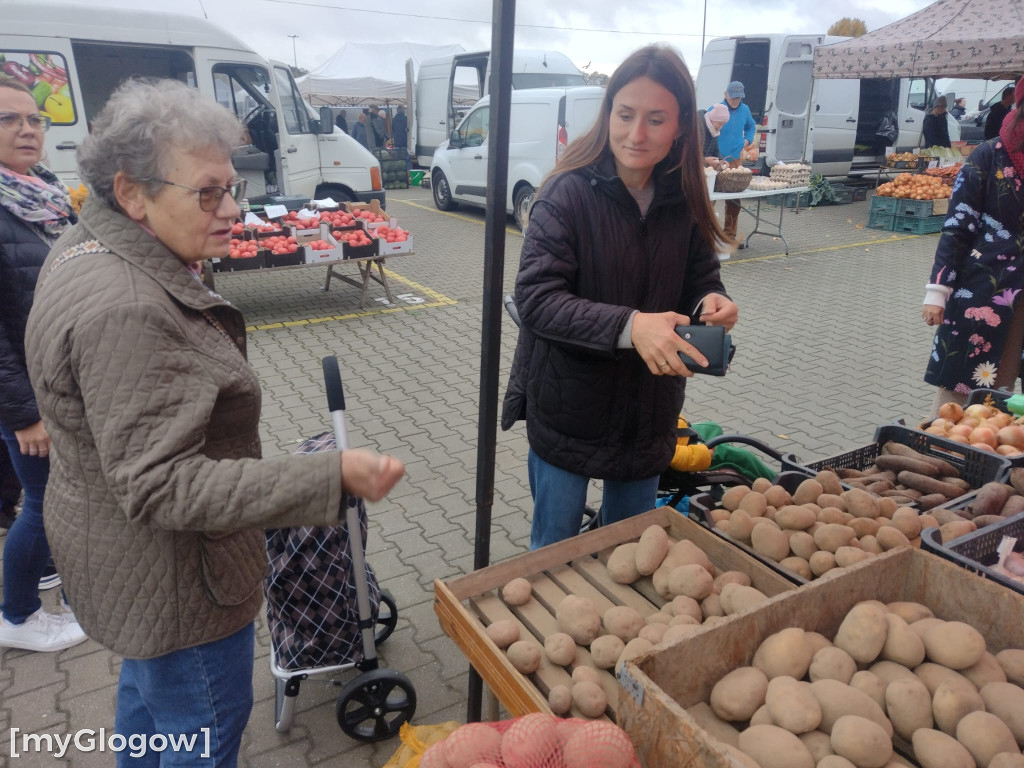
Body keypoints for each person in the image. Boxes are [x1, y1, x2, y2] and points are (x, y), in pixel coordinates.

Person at [25, 78, 405, 764]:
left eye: (232, 187)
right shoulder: (131, 307)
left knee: (149, 709)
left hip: (124, 566)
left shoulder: (85, 245)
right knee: (200, 728)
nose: (232, 209)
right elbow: (162, 486)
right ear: (132, 192)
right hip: (178, 587)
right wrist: (328, 477)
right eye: (207, 193)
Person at [501, 45, 739, 549]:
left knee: (630, 554)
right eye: (626, 114)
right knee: (553, 554)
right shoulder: (565, 193)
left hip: (647, 414)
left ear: (680, 127)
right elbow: (537, 299)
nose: (637, 134)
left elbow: (700, 276)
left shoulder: (683, 197)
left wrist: (711, 301)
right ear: (608, 113)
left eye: (656, 119)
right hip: (569, 411)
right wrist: (631, 327)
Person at [0, 75, 87, 652]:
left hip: (63, 379)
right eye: (9, 120)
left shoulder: (45, 192)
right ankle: (18, 616)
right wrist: (24, 415)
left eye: (34, 119)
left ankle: (70, 583)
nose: (27, 129)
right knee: (42, 504)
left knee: (63, 497)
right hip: (30, 395)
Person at [922, 75, 1024, 416]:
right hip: (984, 288)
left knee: (1002, 390)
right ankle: (943, 441)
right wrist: (938, 291)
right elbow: (957, 226)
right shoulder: (988, 155)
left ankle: (993, 442)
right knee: (962, 385)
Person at [716, 81, 756, 246]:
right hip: (715, 160)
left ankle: (729, 236)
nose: (735, 101)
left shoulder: (745, 110)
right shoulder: (716, 109)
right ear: (726, 95)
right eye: (733, 97)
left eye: (738, 98)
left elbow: (751, 126)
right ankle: (705, 236)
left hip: (735, 160)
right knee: (709, 199)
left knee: (734, 201)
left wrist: (748, 140)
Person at [700, 103, 730, 169]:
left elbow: (716, 151)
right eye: (720, 124)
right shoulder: (697, 128)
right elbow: (688, 154)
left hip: (705, 169)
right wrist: (705, 160)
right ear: (712, 119)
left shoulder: (713, 131)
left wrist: (722, 160)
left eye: (723, 124)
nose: (721, 127)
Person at [393, 104, 409, 169]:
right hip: (404, 142)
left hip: (396, 143)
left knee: (398, 160)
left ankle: (399, 172)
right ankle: (407, 172)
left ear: (397, 110)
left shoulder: (394, 119)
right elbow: (408, 130)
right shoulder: (406, 119)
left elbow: (392, 129)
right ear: (403, 110)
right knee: (406, 159)